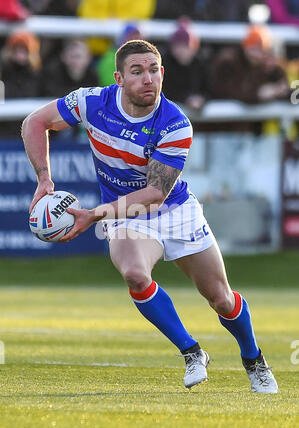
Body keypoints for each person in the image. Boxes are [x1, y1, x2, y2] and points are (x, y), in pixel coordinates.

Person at [22, 39, 278, 394]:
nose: (148, 79)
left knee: (220, 297)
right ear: (119, 78)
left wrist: (94, 215)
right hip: (126, 213)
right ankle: (191, 351)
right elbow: (35, 122)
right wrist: (44, 178)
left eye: (154, 70)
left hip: (174, 211)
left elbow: (155, 194)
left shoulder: (175, 123)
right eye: (137, 71)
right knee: (135, 274)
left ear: (163, 73)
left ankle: (253, 358)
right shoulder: (92, 102)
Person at [208, 25, 290, 104]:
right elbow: (225, 93)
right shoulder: (228, 61)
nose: (265, 58)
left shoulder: (266, 66)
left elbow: (287, 91)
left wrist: (281, 91)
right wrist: (259, 93)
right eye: (259, 50)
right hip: (222, 115)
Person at [161, 22, 208, 111]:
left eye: (185, 46)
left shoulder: (201, 63)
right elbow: (165, 91)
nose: (181, 51)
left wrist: (202, 99)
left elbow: (208, 89)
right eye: (177, 46)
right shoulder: (164, 64)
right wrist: (187, 99)